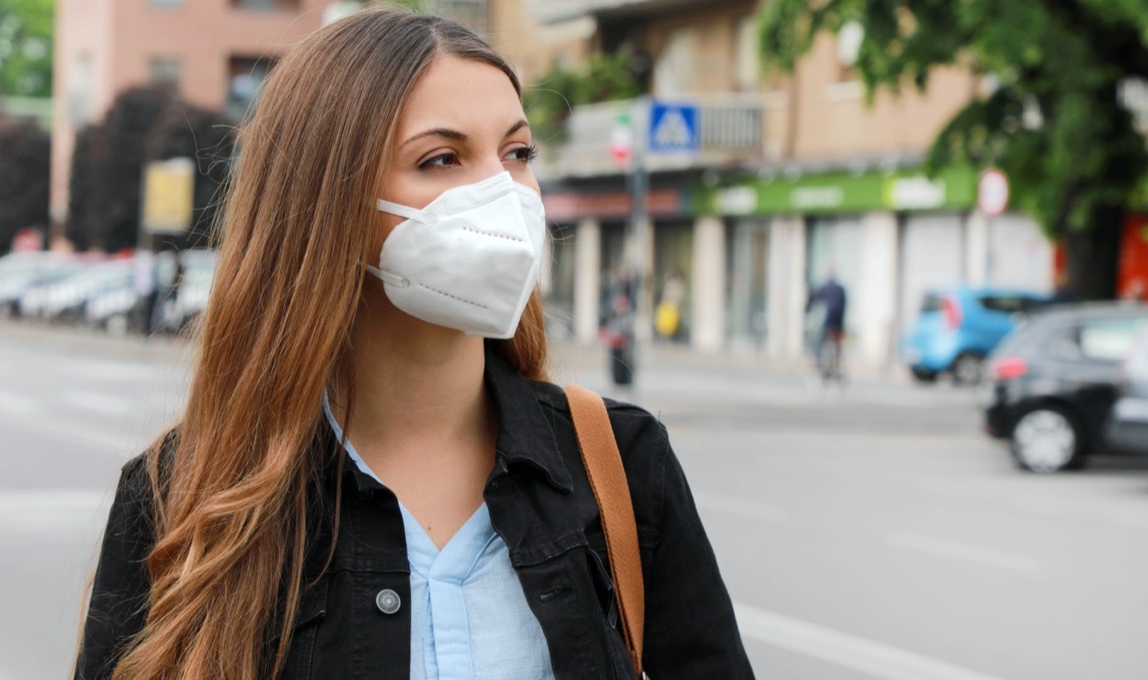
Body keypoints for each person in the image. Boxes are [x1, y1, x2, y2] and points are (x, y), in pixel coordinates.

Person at [73, 8, 752, 680]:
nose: (502, 192)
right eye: (441, 159)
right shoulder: (184, 492)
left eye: (517, 153)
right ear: (325, 204)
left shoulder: (621, 465)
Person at [807, 269, 847, 379]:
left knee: (820, 337)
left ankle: (818, 358)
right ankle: (838, 357)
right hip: (839, 319)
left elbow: (814, 297)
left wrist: (807, 309)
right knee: (837, 338)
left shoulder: (825, 287)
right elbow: (845, 302)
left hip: (829, 317)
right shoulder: (840, 288)